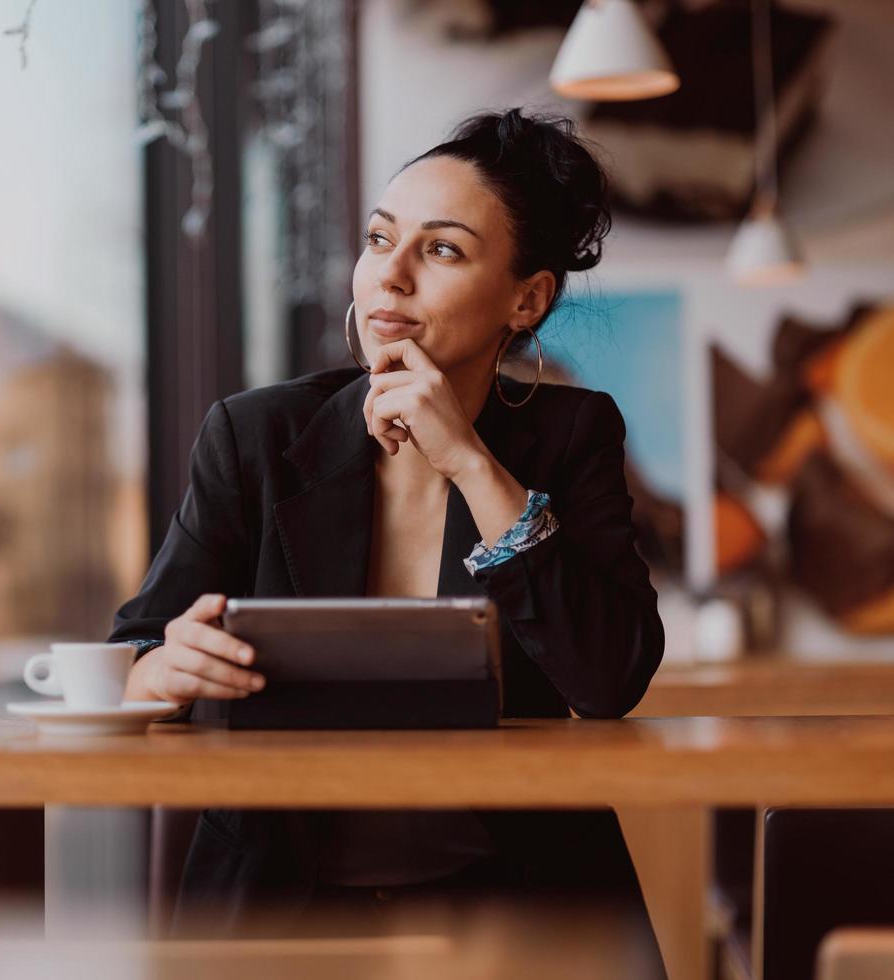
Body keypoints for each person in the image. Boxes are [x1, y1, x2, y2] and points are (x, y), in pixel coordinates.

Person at [109, 107, 666, 967]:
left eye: (440, 250)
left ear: (527, 298)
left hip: (515, 912)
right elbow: (134, 654)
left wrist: (474, 467)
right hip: (280, 918)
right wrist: (164, 668)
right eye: (379, 240)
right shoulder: (252, 436)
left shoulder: (569, 434)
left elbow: (607, 679)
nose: (388, 278)